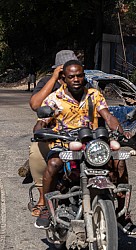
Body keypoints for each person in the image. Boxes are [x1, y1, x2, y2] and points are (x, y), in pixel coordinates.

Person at [33, 60, 136, 234]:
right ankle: (45, 207)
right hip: (64, 143)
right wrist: (40, 131)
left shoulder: (94, 95)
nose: (76, 79)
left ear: (84, 76)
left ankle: (122, 214)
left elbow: (108, 116)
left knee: (119, 161)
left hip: (92, 143)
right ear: (63, 79)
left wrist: (121, 131)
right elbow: (41, 122)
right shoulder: (54, 99)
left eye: (79, 75)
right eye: (71, 76)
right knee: (53, 164)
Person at [28, 50, 79, 218]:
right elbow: (36, 105)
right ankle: (43, 199)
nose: (72, 76)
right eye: (65, 70)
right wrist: (53, 79)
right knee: (36, 153)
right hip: (53, 134)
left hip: (79, 134)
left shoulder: (83, 84)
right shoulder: (48, 83)